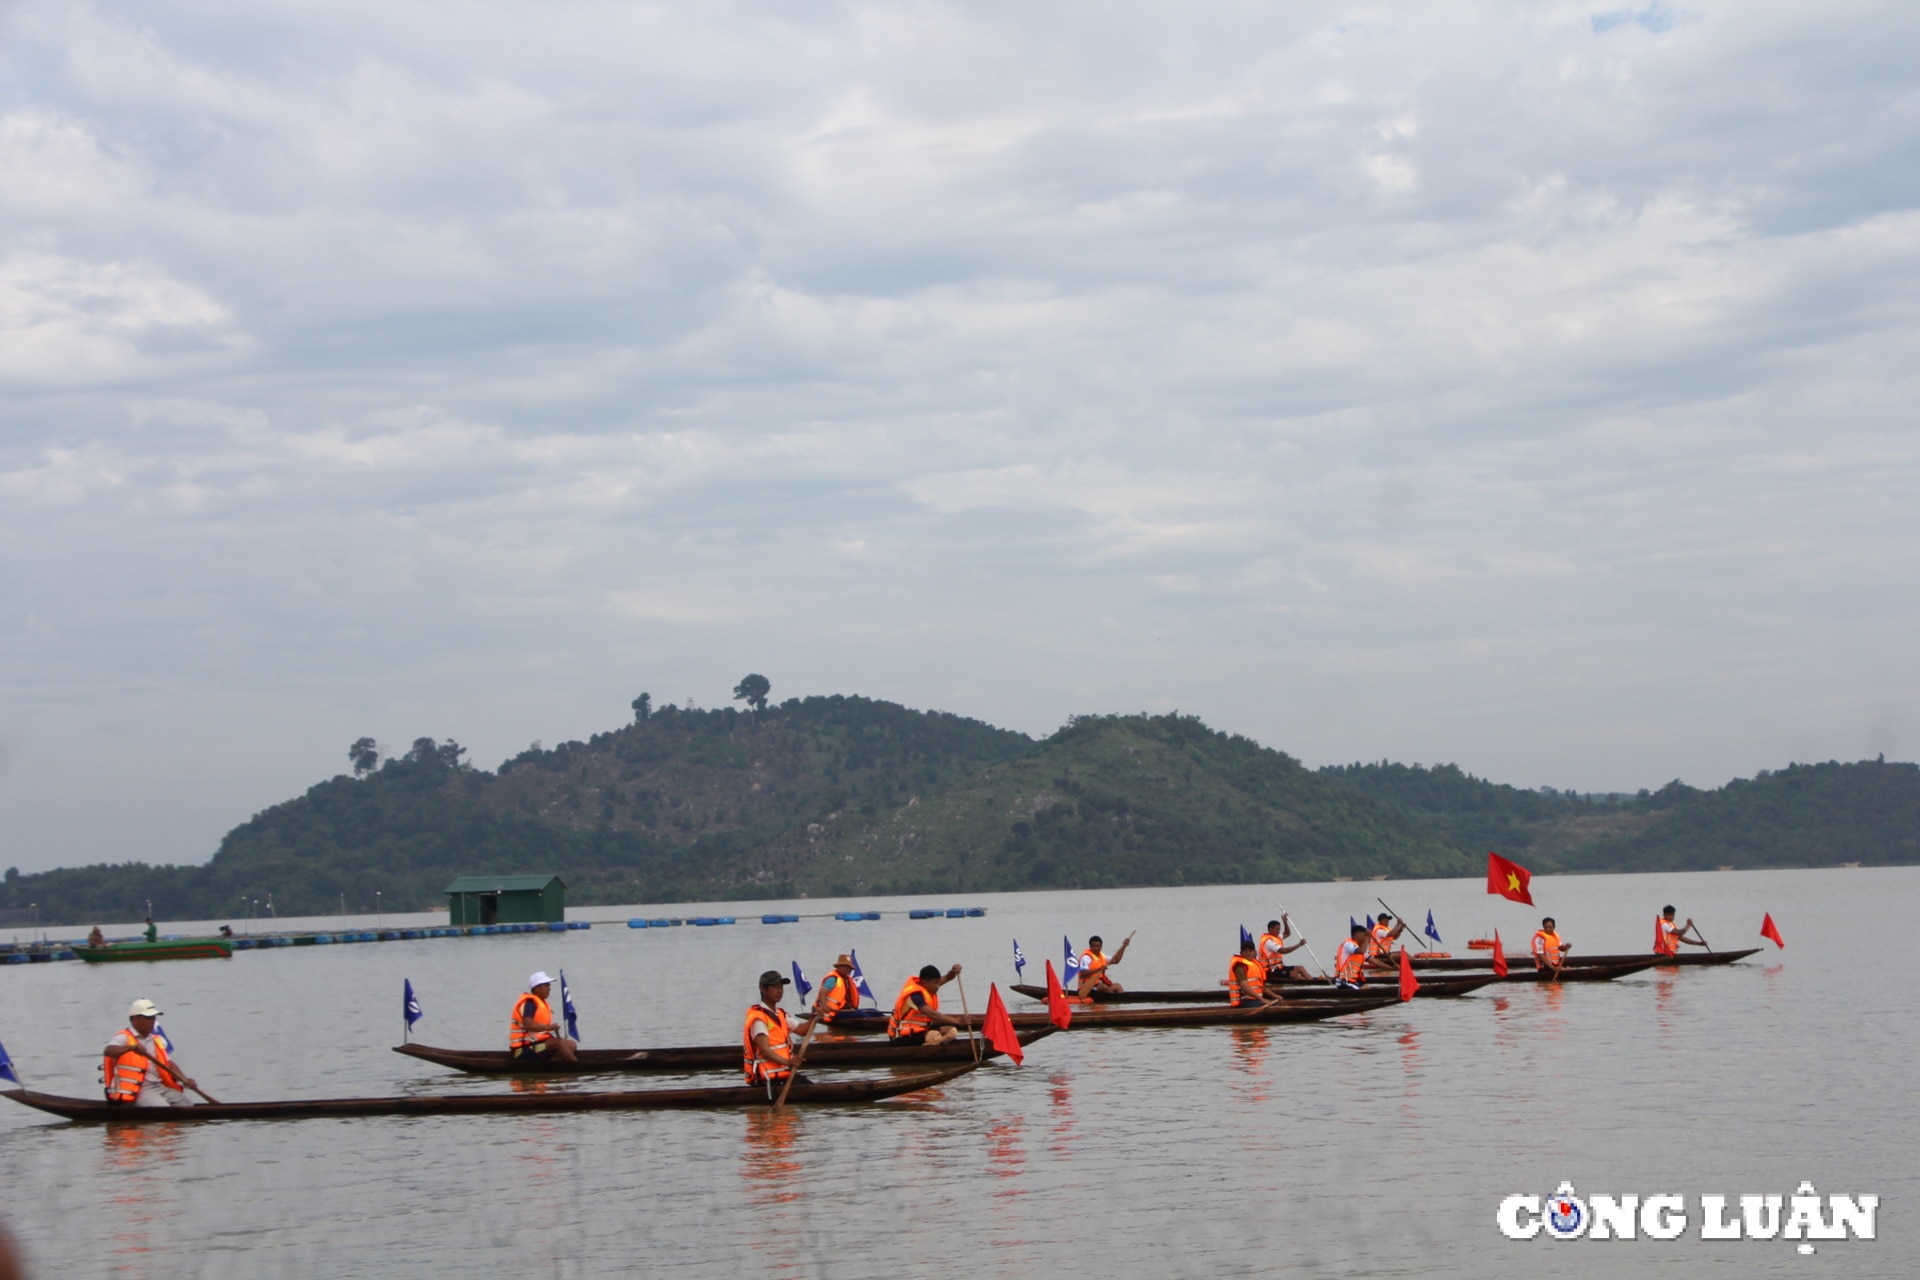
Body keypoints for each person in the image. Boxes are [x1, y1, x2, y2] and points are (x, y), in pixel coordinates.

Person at [103, 998, 199, 1107]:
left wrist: (185, 1080)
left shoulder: (156, 1040)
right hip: (138, 1089)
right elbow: (108, 1050)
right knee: (163, 1108)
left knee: (187, 1105)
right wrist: (130, 1048)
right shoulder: (124, 1037)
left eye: (153, 1017)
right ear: (135, 1020)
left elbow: (169, 1064)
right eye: (148, 1018)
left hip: (158, 1086)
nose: (152, 1021)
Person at [744, 970, 815, 1089]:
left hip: (782, 1075)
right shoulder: (759, 1019)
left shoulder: (780, 1014)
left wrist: (813, 1017)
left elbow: (802, 1030)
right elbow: (765, 1051)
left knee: (811, 1088)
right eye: (775, 987)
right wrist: (789, 1062)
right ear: (763, 989)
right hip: (767, 1080)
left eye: (781, 987)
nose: (780, 991)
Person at [888, 964, 968, 1045]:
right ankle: (926, 1049)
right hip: (905, 1036)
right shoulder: (915, 996)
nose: (938, 986)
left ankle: (931, 1045)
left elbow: (947, 977)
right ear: (924, 982)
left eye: (938, 982)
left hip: (922, 1030)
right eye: (935, 983)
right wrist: (959, 1021)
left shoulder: (929, 986)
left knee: (952, 1031)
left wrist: (953, 971)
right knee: (935, 1036)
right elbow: (933, 1015)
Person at [509, 972, 579, 1063]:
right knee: (559, 1042)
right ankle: (575, 1067)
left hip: (538, 1045)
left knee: (571, 1044)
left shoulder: (541, 1003)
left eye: (549, 986)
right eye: (546, 986)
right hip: (523, 1050)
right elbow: (529, 1025)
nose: (549, 988)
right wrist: (549, 1027)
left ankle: (554, 1065)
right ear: (537, 987)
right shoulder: (529, 1003)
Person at [1076, 932, 1134, 996]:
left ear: (1101, 946)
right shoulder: (1086, 957)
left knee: (1118, 986)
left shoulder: (1102, 956)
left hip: (1099, 985)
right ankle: (1113, 999)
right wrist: (1099, 969)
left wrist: (1123, 947)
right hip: (1087, 988)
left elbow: (1115, 960)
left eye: (1098, 946)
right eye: (1093, 946)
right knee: (1104, 987)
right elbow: (1082, 974)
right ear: (1090, 946)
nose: (1096, 948)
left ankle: (1119, 1001)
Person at [811, 955, 863, 1023]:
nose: (847, 969)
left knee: (872, 1011)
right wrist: (824, 1006)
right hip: (833, 1012)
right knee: (863, 1015)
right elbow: (823, 992)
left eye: (849, 968)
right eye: (845, 967)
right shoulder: (833, 978)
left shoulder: (847, 979)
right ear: (839, 967)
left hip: (845, 1010)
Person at [1258, 918, 1309, 982]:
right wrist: (1299, 945)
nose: (1279, 931)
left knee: (1300, 968)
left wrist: (1285, 922)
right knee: (1293, 974)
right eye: (1277, 929)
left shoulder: (1277, 936)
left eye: (1279, 929)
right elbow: (1283, 951)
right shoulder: (1269, 941)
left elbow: (1287, 933)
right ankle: (1308, 984)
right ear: (1270, 929)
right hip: (1269, 970)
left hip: (1278, 967)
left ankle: (1313, 983)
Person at [1227, 938, 1274, 1007]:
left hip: (1255, 1000)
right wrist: (1262, 999)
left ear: (1255, 952)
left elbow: (1261, 987)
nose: (1248, 953)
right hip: (1244, 1001)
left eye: (1250, 951)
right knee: (1273, 1006)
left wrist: (1275, 995)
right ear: (1241, 953)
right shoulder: (1240, 967)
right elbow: (1245, 988)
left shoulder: (1254, 964)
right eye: (1245, 951)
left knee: (1275, 1004)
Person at [1333, 923, 1371, 989]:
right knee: (1365, 992)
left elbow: (1373, 960)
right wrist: (1367, 937)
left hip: (1351, 980)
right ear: (1357, 935)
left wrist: (1390, 968)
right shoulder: (1348, 944)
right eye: (1364, 935)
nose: (1365, 937)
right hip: (1343, 981)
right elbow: (1362, 951)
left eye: (1365, 935)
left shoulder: (1357, 946)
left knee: (1367, 987)